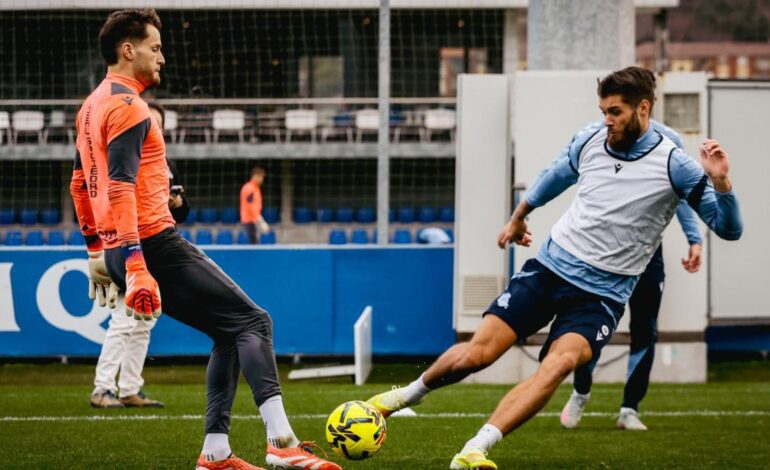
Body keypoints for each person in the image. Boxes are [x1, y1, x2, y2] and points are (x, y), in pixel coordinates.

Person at [365, 66, 743, 469]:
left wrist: (722, 184)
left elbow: (728, 229)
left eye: (615, 111)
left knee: (558, 364)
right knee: (480, 352)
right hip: (549, 270)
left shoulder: (675, 163)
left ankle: (475, 449)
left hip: (602, 297)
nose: (607, 120)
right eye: (603, 110)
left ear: (643, 108)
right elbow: (554, 176)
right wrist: (520, 215)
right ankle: (402, 397)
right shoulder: (591, 140)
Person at [70, 9, 340, 469]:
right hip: (152, 243)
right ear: (127, 50)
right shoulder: (130, 107)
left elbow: (80, 182)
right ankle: (282, 443)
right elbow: (117, 185)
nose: (162, 57)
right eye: (155, 47)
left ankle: (215, 453)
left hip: (122, 246)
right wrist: (135, 264)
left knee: (228, 334)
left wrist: (99, 251)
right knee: (255, 324)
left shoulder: (91, 105)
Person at [559, 120, 703, 431]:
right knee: (589, 328)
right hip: (600, 258)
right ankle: (581, 392)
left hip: (647, 257)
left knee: (645, 329)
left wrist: (695, 238)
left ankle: (629, 409)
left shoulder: (670, 141)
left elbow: (681, 193)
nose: (612, 115)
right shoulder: (596, 135)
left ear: (646, 104)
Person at [88, 101, 189, 409]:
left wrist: (176, 204)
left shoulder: (165, 164)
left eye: (156, 123)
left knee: (143, 322)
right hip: (125, 248)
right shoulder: (120, 158)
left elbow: (182, 211)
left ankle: (130, 388)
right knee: (122, 319)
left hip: (156, 249)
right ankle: (102, 388)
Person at [240, 167, 270, 244]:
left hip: (253, 220)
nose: (262, 179)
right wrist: (260, 220)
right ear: (256, 176)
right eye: (261, 177)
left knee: (255, 243)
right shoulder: (250, 188)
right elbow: (250, 206)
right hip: (250, 221)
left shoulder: (255, 188)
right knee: (253, 245)